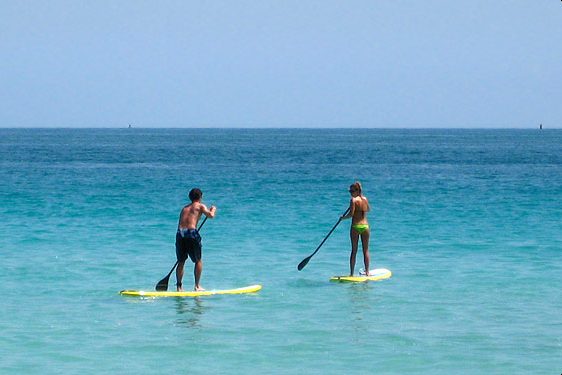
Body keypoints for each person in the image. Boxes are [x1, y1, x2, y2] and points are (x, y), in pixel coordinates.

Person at [175, 188, 216, 291]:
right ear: (200, 197)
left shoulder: (184, 208)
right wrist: (213, 209)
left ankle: (179, 287)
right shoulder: (200, 206)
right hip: (191, 233)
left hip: (180, 234)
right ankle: (197, 286)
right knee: (198, 261)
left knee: (181, 261)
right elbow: (210, 216)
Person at [341, 181, 371, 276]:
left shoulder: (353, 200)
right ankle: (367, 272)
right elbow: (368, 209)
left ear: (357, 191)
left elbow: (351, 215)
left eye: (352, 191)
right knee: (365, 250)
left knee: (354, 250)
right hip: (365, 226)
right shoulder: (365, 199)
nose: (350, 193)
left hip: (356, 226)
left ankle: (351, 274)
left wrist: (342, 218)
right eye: (350, 191)